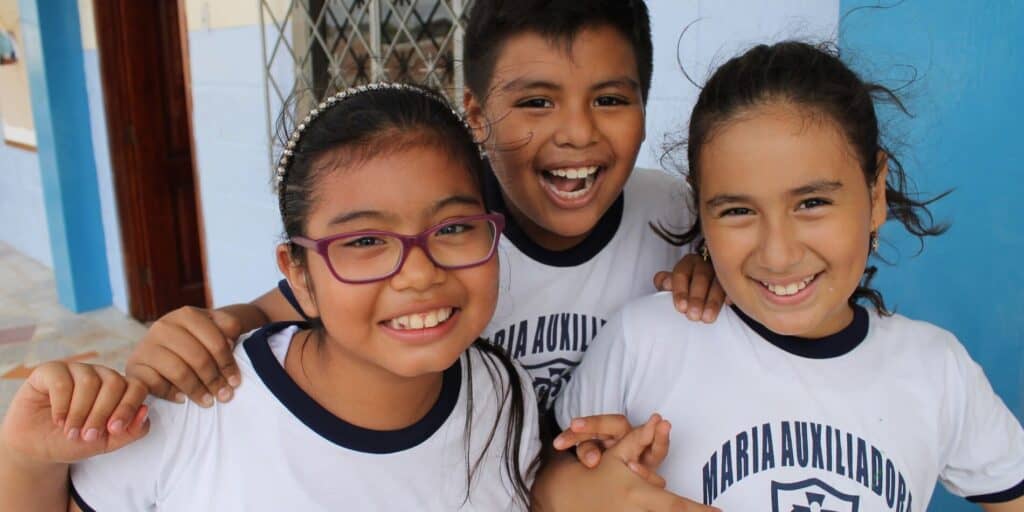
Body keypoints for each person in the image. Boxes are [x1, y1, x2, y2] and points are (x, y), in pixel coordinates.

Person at [125, 0, 725, 412]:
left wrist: (717, 280)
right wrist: (207, 331)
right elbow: (277, 309)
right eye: (536, 102)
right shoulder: (444, 234)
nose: (576, 133)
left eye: (611, 98)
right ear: (474, 114)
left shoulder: (672, 211)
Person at [0, 83, 541, 511]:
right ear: (299, 275)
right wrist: (26, 459)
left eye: (453, 228)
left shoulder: (502, 391)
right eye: (365, 241)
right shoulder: (195, 401)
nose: (420, 274)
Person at [551, 41, 1024, 510]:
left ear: (875, 192)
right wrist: (576, 491)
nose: (777, 254)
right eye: (737, 210)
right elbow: (543, 482)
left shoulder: (936, 369)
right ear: (700, 209)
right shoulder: (645, 340)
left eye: (812, 203)